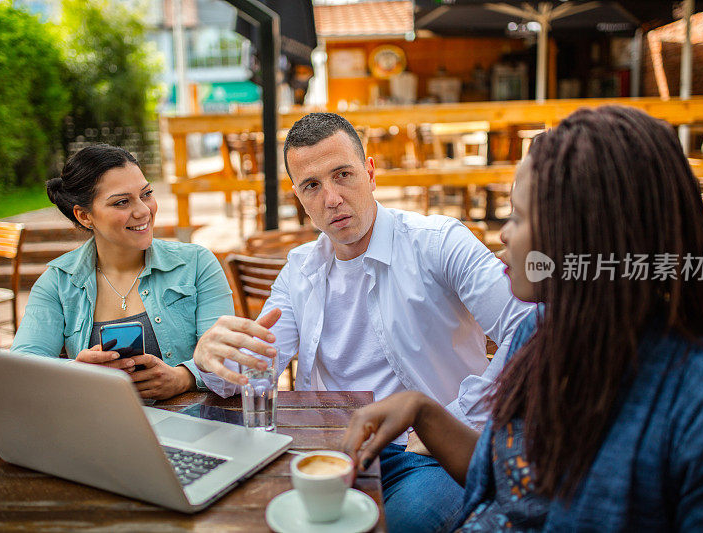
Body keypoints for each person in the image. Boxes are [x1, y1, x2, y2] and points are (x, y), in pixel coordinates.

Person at [341, 106, 703, 531]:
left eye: (517, 216)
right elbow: (502, 482)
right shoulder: (541, 332)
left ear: (580, 232)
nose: (503, 234)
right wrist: (420, 409)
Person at [193, 113, 533, 532]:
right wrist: (213, 358)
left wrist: (451, 421)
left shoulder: (439, 242)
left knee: (404, 525)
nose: (331, 198)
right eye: (312, 186)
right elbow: (252, 371)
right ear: (299, 196)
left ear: (370, 173)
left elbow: (533, 334)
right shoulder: (299, 270)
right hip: (328, 451)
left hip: (424, 456)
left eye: (343, 175)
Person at [12, 144, 234, 400]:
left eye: (146, 194)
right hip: (100, 428)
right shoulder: (57, 282)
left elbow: (228, 357)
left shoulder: (196, 264)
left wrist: (182, 378)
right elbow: (23, 368)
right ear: (84, 216)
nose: (143, 211)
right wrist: (75, 372)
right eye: (121, 202)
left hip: (192, 427)